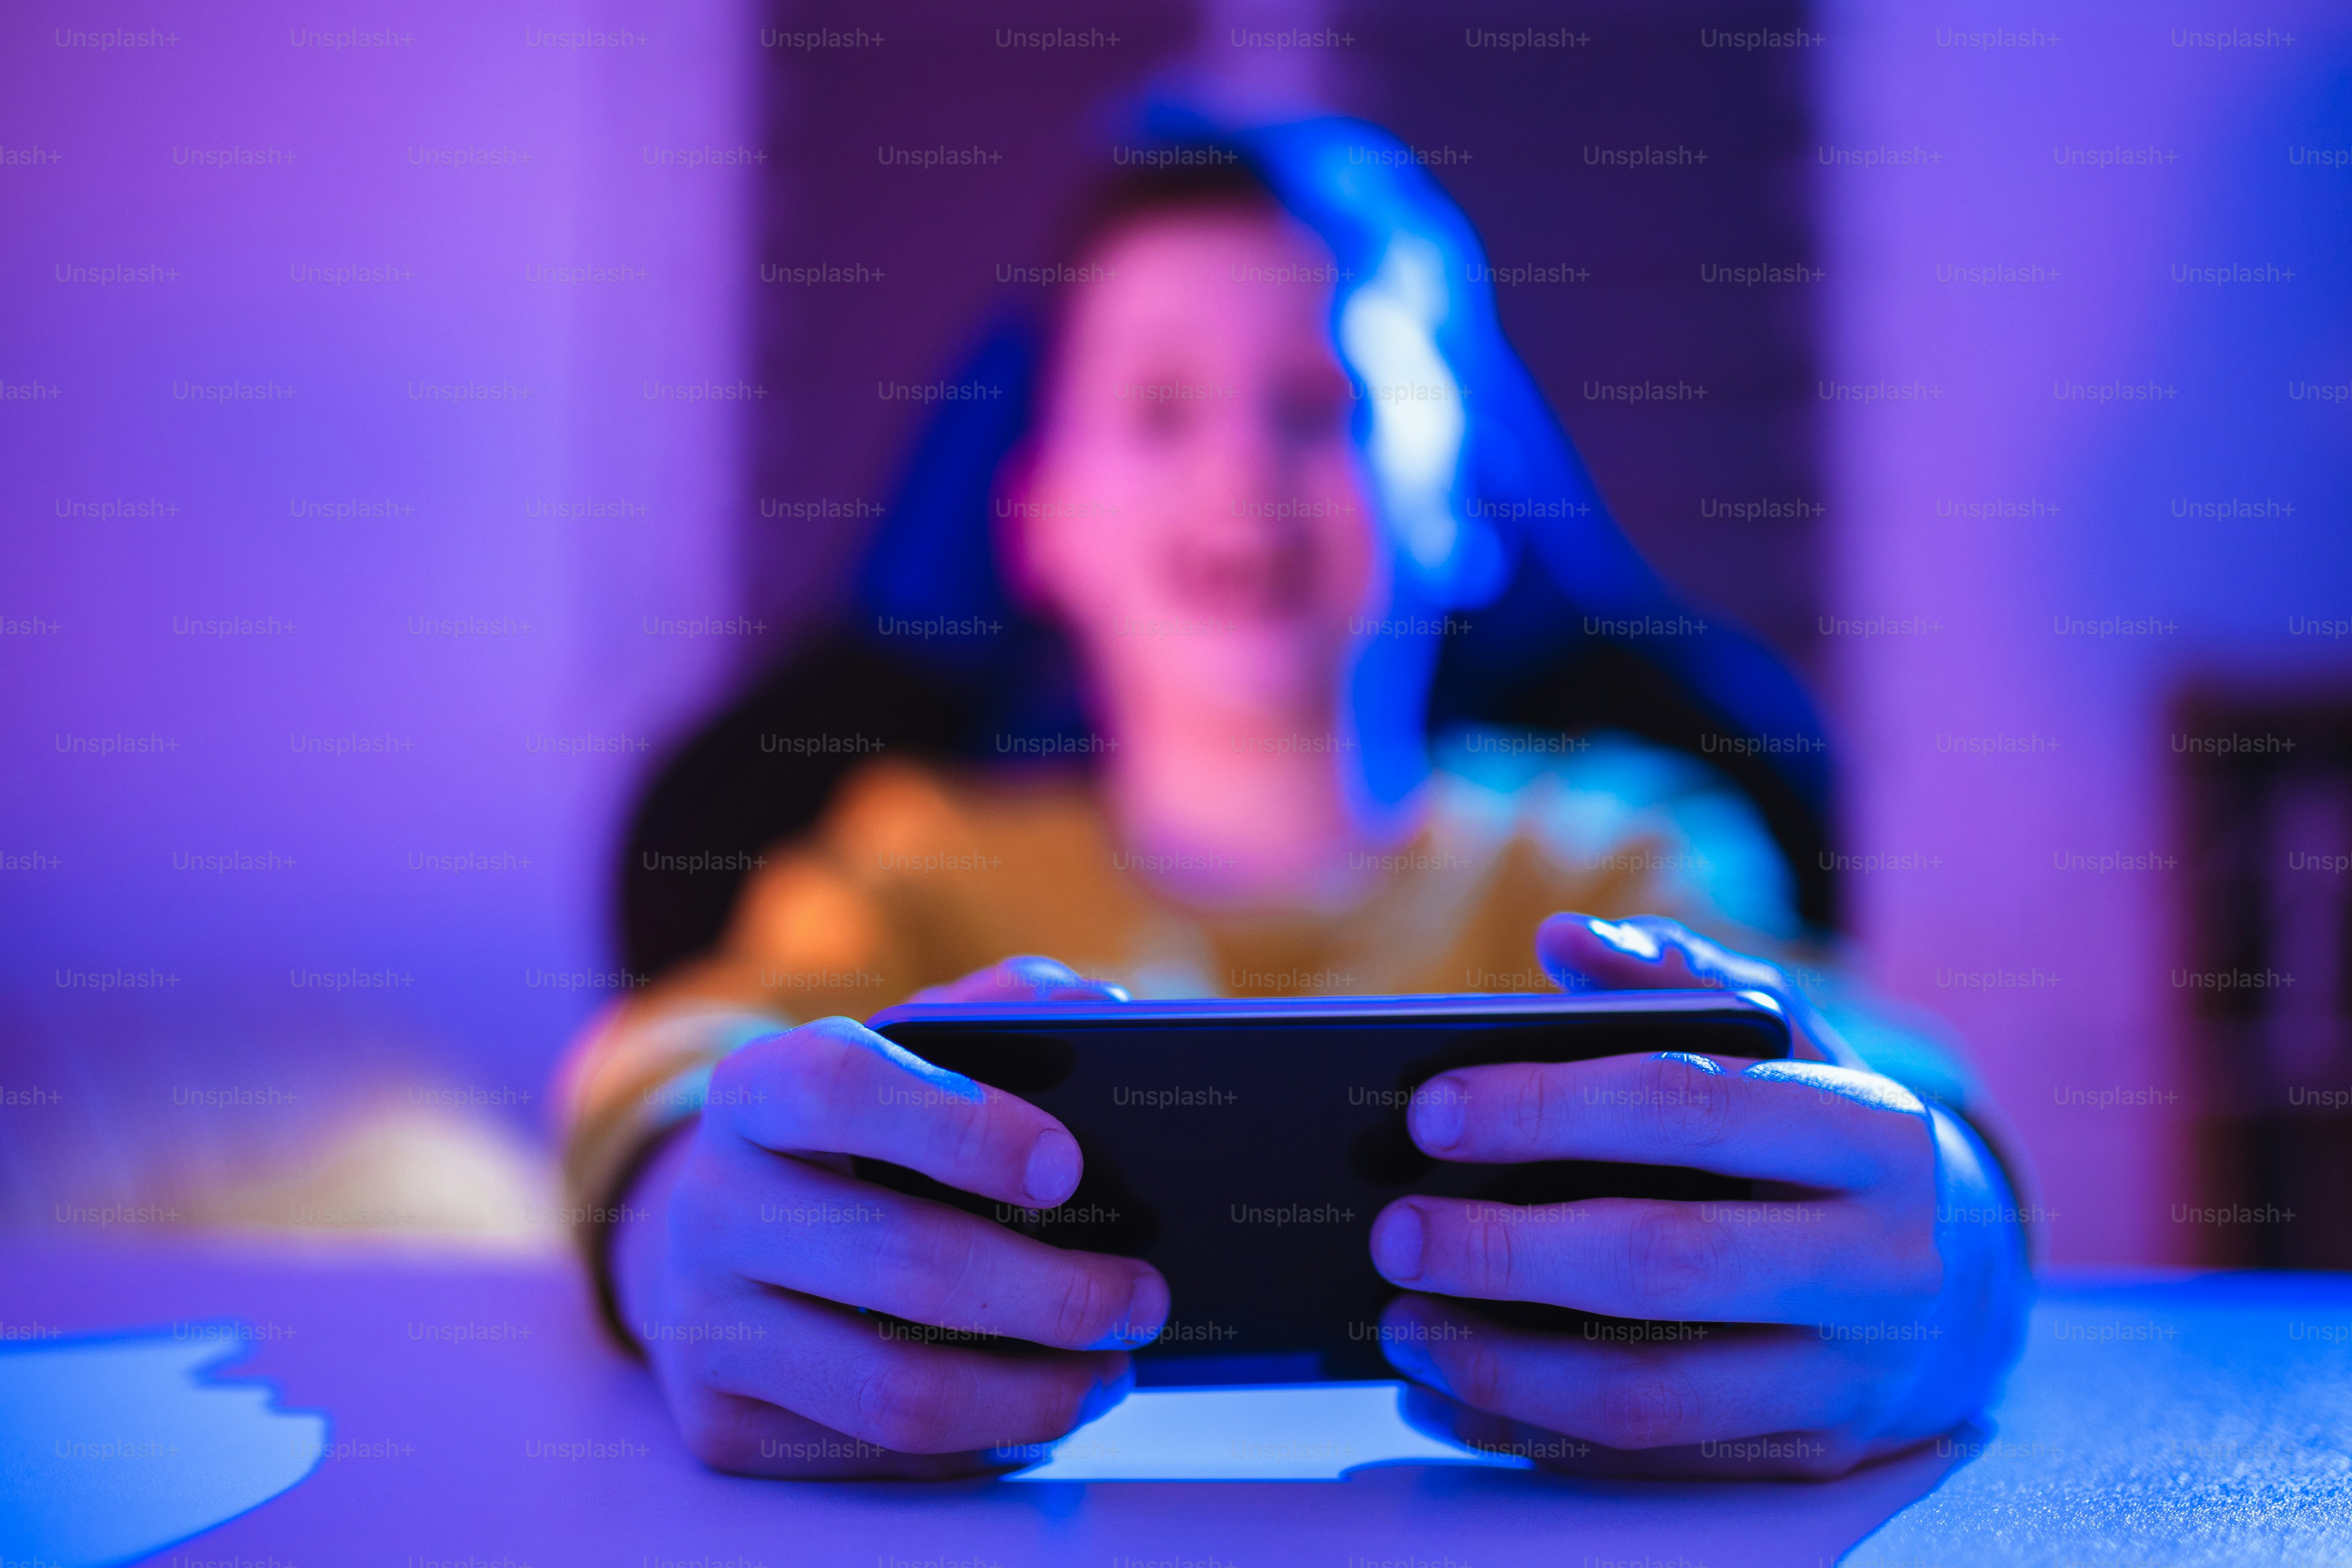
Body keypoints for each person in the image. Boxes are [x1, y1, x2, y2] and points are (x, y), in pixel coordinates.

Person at [555, 111, 2030, 1481]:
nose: (1243, 467)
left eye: (1321, 405)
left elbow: (1877, 1086)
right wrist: (680, 1216)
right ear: (1039, 519)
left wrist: (1953, 1253)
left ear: (1466, 506)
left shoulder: (1620, 851)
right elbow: (674, 1050)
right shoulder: (915, 870)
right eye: (1157, 407)